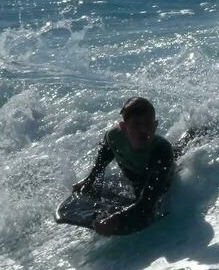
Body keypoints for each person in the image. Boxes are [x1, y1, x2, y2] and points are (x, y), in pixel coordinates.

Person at [74, 96, 174, 236]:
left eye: (148, 123)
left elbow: (147, 204)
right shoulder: (114, 137)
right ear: (124, 128)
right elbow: (105, 154)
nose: (144, 129)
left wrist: (116, 219)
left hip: (159, 182)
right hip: (134, 176)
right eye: (136, 124)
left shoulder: (162, 152)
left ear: (155, 125)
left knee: (147, 212)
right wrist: (90, 179)